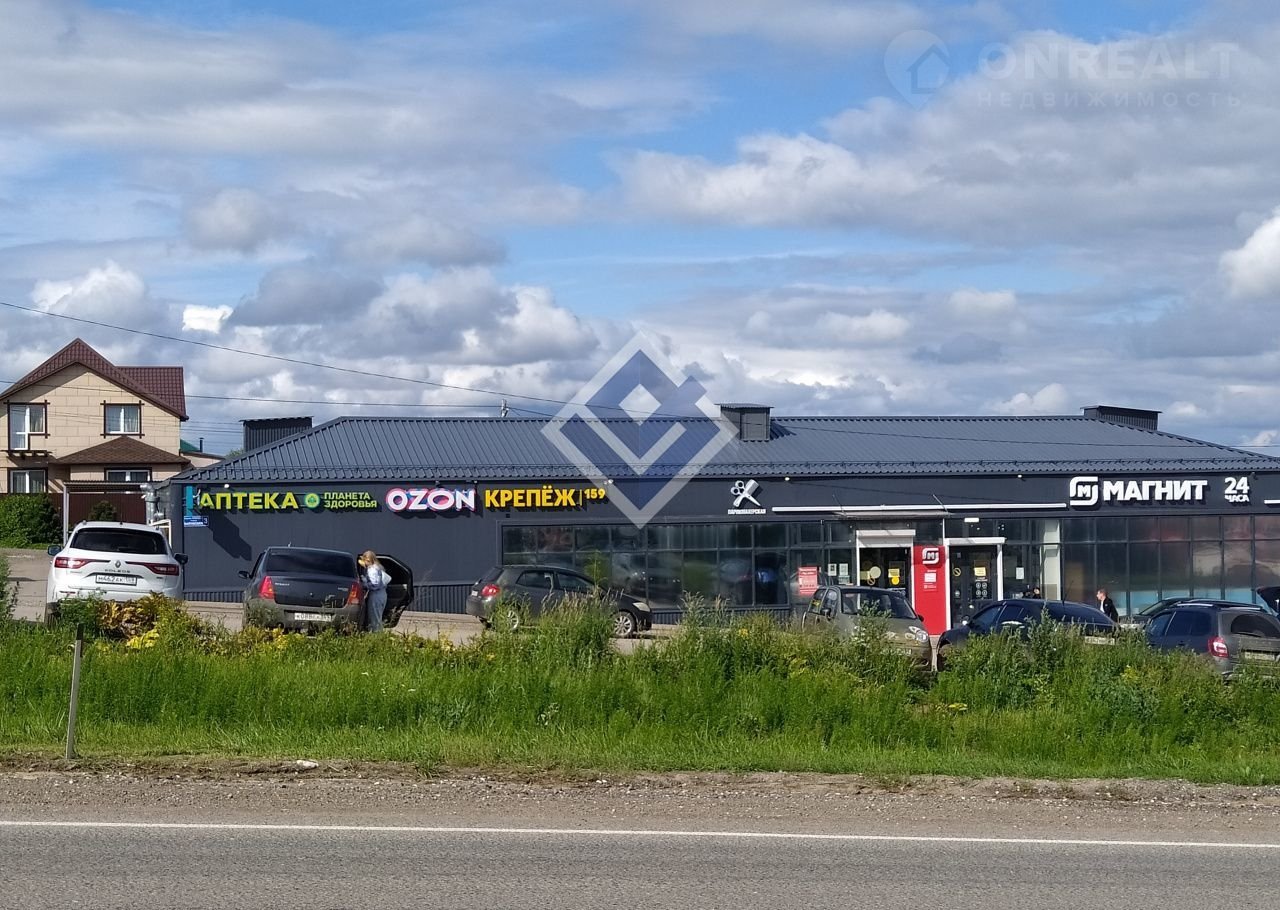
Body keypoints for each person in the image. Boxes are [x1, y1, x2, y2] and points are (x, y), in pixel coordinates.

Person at [358, 550, 391, 632]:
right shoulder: (378, 567)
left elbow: (374, 585)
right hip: (382, 594)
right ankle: (378, 634)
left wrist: (364, 583)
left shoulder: (372, 570)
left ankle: (376, 635)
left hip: (376, 595)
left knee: (374, 619)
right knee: (377, 617)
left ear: (367, 560)